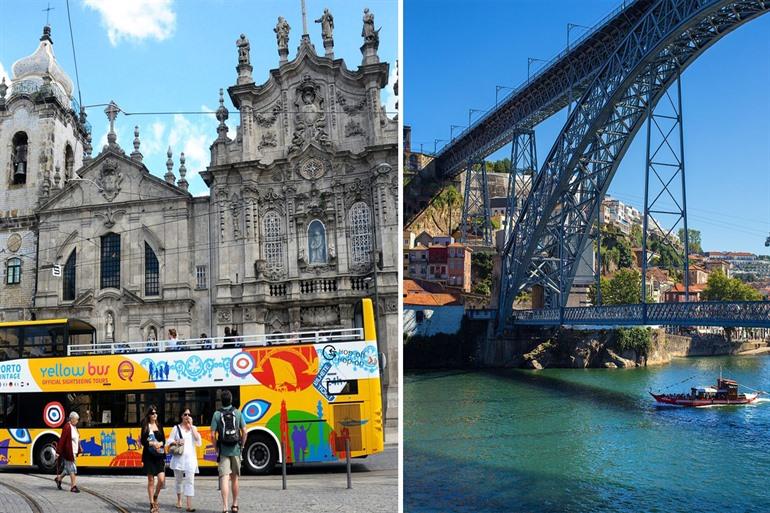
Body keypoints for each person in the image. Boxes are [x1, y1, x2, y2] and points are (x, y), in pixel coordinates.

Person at [211, 390, 246, 513]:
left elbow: (212, 435)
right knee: (235, 478)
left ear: (221, 401)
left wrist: (216, 449)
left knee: (224, 478)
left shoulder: (216, 414)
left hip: (223, 450)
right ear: (231, 400)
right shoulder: (238, 413)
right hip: (235, 449)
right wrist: (242, 445)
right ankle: (235, 505)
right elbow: (245, 431)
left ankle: (225, 507)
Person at [166, 408, 202, 512]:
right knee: (178, 481)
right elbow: (169, 442)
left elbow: (198, 442)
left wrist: (191, 427)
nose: (187, 416)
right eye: (185, 414)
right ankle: (179, 500)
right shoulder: (176, 428)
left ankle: (189, 505)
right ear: (181, 416)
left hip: (190, 460)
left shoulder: (193, 428)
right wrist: (176, 442)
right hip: (178, 459)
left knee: (190, 482)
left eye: (189, 414)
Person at [141, 405, 166, 513]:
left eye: (156, 413)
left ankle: (155, 496)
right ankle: (152, 503)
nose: (155, 415)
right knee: (151, 480)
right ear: (149, 415)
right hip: (149, 456)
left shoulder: (159, 426)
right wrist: (152, 443)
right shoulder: (145, 426)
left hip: (159, 456)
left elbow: (164, 440)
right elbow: (143, 441)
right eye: (152, 413)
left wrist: (159, 444)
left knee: (161, 479)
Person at [54, 411, 81, 493]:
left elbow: (77, 439)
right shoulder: (67, 427)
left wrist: (80, 447)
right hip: (68, 452)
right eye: (76, 419)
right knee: (72, 468)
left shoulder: (74, 427)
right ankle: (73, 486)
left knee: (67, 469)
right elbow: (62, 440)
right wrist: (58, 452)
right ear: (72, 419)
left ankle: (58, 479)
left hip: (74, 451)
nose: (77, 421)